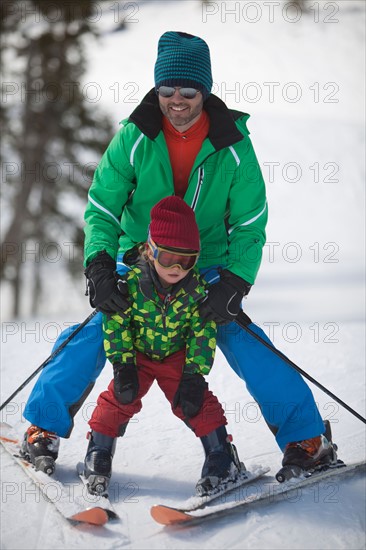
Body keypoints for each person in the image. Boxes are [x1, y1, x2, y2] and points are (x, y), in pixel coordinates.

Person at [21, 31, 337, 478]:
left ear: (204, 91)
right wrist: (98, 264)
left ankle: (307, 438)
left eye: (188, 91)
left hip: (204, 264)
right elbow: (102, 208)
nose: (177, 100)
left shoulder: (233, 146)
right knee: (94, 332)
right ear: (157, 89)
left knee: (241, 337)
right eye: (167, 90)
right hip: (137, 258)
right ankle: (42, 428)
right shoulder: (134, 136)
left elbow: (249, 224)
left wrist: (234, 282)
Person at [82, 196, 244, 496]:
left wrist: (195, 373)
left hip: (176, 358)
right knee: (119, 397)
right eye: (169, 258)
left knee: (196, 402)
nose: (177, 267)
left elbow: (202, 333)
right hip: (138, 356)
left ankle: (221, 454)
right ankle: (99, 450)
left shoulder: (198, 290)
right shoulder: (129, 284)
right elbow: (116, 323)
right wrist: (123, 364)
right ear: (150, 250)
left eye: (187, 260)